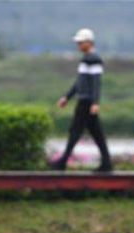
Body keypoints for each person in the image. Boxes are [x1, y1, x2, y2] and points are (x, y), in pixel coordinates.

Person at [49, 28, 112, 172]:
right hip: (84, 101)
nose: (78, 45)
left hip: (87, 102)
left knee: (75, 131)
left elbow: (96, 83)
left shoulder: (94, 60)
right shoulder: (85, 60)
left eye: (80, 42)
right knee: (97, 134)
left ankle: (62, 161)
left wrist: (95, 102)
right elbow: (79, 83)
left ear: (89, 43)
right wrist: (67, 97)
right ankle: (107, 164)